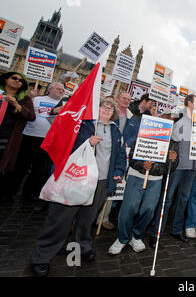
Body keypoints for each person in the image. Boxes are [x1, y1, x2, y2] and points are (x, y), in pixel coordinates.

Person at [30, 98, 127, 277]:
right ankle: (42, 257)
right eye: (103, 106)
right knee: (61, 219)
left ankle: (81, 247)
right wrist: (87, 142)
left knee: (86, 219)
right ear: (94, 108)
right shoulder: (82, 124)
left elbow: (120, 154)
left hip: (101, 181)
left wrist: (119, 170)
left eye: (110, 107)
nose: (107, 109)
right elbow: (66, 142)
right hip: (77, 179)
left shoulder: (115, 130)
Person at [149, 94, 196, 247]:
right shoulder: (178, 115)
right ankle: (156, 231)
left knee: (183, 199)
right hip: (177, 165)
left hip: (192, 167)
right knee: (167, 199)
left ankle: (176, 229)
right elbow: (166, 131)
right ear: (189, 103)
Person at [108, 142, 178, 255]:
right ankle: (123, 238)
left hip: (155, 180)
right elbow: (131, 158)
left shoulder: (173, 143)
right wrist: (142, 164)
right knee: (129, 208)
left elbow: (171, 168)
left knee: (149, 209)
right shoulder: (144, 134)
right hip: (136, 176)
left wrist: (172, 160)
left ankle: (136, 235)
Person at [10, 82, 65, 208]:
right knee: (21, 166)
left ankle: (31, 193)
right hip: (30, 136)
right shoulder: (37, 99)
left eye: (63, 90)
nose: (61, 91)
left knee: (40, 169)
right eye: (58, 88)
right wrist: (29, 97)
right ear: (49, 90)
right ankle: (11, 191)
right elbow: (24, 111)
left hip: (49, 141)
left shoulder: (65, 104)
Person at [97, 91, 133, 231]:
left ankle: (102, 218)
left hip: (110, 166)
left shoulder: (130, 119)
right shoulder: (91, 125)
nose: (126, 101)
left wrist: (126, 144)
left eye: (128, 99)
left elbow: (133, 136)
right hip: (91, 169)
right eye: (123, 98)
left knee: (107, 196)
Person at [0, 72, 36, 203]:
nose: (17, 81)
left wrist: (17, 105)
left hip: (7, 137)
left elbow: (31, 116)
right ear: (6, 80)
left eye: (20, 80)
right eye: (14, 78)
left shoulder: (24, 99)